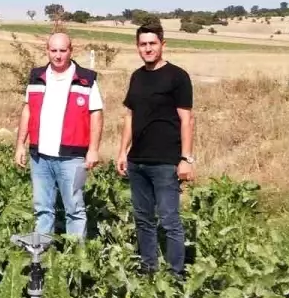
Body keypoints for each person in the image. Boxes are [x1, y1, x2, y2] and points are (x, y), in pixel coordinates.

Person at [117, 23, 195, 275]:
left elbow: (187, 120)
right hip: (137, 160)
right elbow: (130, 116)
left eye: (152, 43)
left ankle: (176, 276)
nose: (148, 48)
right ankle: (148, 270)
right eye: (143, 44)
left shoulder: (177, 76)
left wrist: (186, 159)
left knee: (170, 220)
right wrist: (122, 151)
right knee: (143, 219)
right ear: (137, 47)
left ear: (163, 44)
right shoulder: (137, 77)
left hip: (165, 161)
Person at [13, 31, 104, 238]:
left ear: (71, 51)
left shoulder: (86, 79)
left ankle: (75, 254)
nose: (58, 55)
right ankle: (42, 252)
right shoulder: (36, 77)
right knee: (42, 209)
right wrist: (20, 145)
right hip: (40, 157)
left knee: (75, 209)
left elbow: (96, 115)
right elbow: (27, 110)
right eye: (53, 50)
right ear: (47, 50)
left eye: (63, 50)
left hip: (72, 157)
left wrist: (93, 150)